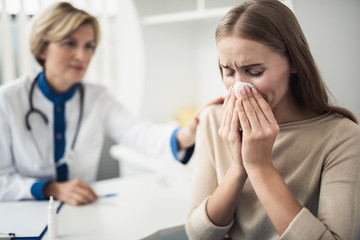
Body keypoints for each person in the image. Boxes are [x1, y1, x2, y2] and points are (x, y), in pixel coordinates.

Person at [0, 2, 222, 206]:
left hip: (81, 212)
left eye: (89, 46)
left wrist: (186, 134)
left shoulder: (97, 98)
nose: (83, 56)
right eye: (70, 43)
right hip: (24, 213)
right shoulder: (8, 100)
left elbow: (138, 132)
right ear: (42, 48)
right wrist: (49, 188)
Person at [185, 0, 360, 239]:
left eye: (255, 72)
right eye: (228, 72)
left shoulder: (341, 136)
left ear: (295, 63)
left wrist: (259, 166)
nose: (239, 88)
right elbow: (197, 234)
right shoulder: (213, 119)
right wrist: (238, 169)